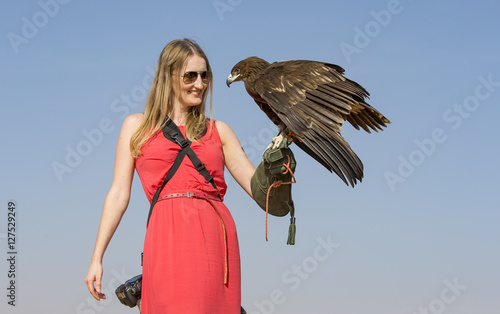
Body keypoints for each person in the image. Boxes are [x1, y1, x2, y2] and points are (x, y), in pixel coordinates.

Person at [84, 38, 257, 313]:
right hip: (165, 234)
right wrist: (97, 258)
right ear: (169, 77)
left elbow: (263, 191)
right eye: (190, 76)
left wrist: (283, 158)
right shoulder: (136, 126)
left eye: (204, 75)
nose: (200, 84)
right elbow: (118, 194)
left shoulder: (220, 131)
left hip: (215, 237)